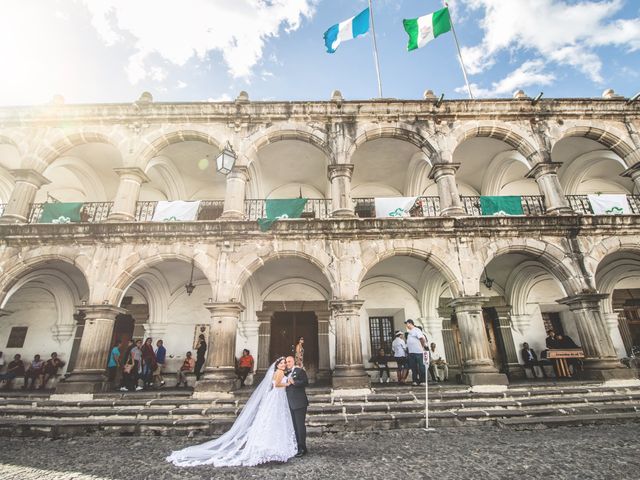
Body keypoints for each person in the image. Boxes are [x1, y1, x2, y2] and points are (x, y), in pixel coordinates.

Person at [167, 356, 298, 467]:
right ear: (278, 365)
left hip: (275, 398)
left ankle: (268, 448)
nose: (283, 364)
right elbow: (278, 384)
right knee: (275, 421)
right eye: (281, 363)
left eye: (284, 363)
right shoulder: (280, 372)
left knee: (270, 422)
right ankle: (273, 448)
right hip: (277, 397)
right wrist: (288, 384)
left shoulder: (278, 372)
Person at [285, 355, 309, 457]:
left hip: (299, 403)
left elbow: (305, 382)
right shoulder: (285, 373)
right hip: (289, 403)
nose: (287, 363)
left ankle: (302, 448)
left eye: (289, 361)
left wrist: (294, 382)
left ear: (293, 361)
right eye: (286, 362)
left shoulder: (300, 371)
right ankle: (295, 446)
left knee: (300, 426)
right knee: (294, 426)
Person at [405, 319, 427, 386]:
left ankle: (422, 381)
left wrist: (422, 347)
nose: (406, 325)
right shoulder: (410, 332)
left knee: (421, 366)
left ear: (410, 323)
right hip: (412, 352)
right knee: (413, 367)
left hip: (418, 352)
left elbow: (421, 339)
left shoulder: (417, 330)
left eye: (407, 324)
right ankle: (415, 380)